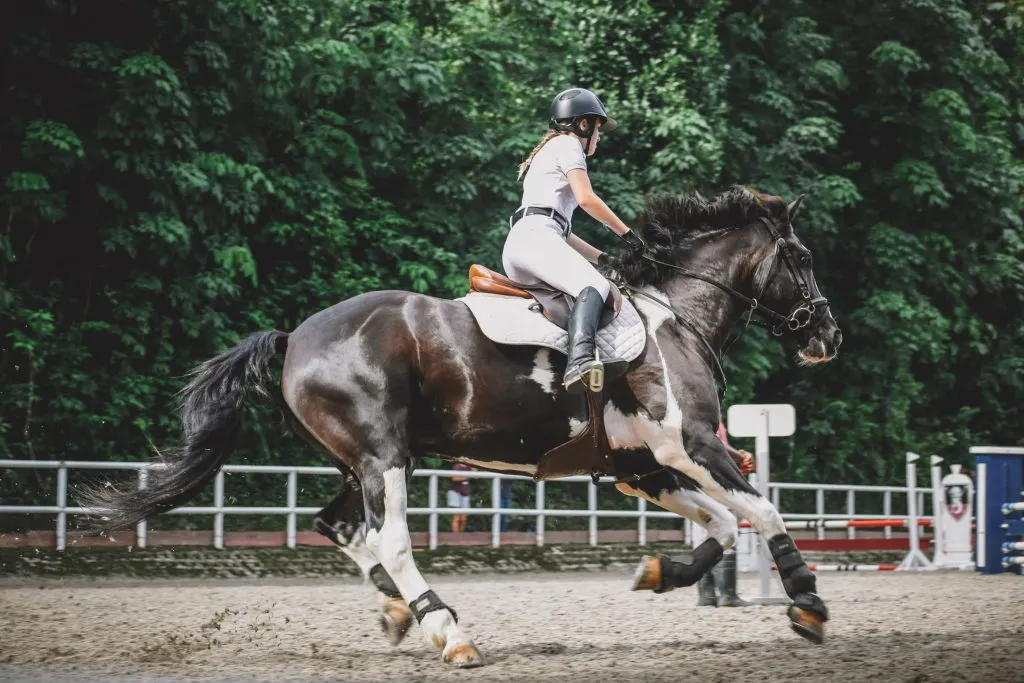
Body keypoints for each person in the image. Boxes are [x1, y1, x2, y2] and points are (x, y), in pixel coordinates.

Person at [503, 87, 646, 395]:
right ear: (583, 124)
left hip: (529, 241)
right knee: (595, 287)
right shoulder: (569, 145)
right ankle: (581, 362)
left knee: (572, 308)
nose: (599, 135)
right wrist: (628, 235)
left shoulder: (549, 151)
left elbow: (562, 232)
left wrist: (604, 258)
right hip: (536, 240)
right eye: (598, 128)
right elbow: (586, 199)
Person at [693, 420, 756, 607]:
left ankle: (707, 595)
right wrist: (741, 456)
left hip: (697, 481)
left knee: (704, 536)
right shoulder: (707, 414)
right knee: (727, 534)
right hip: (718, 481)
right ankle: (728, 595)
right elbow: (717, 445)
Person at [448, 463, 471, 532]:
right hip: (456, 493)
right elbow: (454, 478)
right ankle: (455, 535)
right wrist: (465, 477)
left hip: (465, 494)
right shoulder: (457, 466)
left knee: (464, 518)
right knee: (456, 517)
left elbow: (476, 472)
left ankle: (460, 534)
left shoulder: (468, 467)